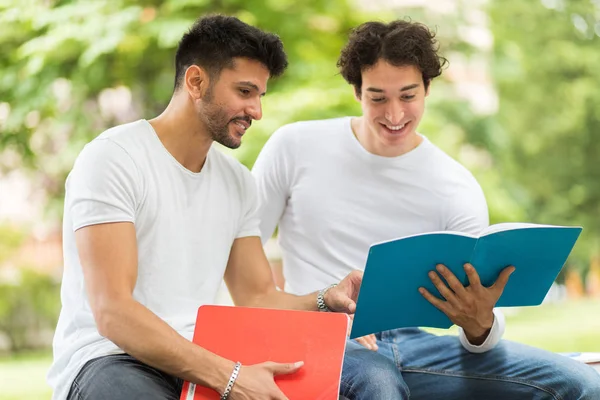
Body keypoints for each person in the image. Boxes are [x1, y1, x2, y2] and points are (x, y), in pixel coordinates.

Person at [252, 19, 600, 400]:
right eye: (378, 97)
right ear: (356, 91)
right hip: (322, 335)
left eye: (408, 95)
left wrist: (478, 324)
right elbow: (244, 256)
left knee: (583, 383)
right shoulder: (295, 146)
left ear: (428, 88)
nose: (395, 114)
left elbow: (481, 335)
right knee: (378, 381)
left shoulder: (455, 185)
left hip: (417, 344)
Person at [47, 15, 362, 400]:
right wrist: (231, 376)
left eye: (260, 95)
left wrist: (324, 299)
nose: (257, 110)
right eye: (245, 91)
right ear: (196, 82)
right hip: (110, 360)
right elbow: (114, 313)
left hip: (200, 358)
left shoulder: (238, 182)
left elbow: (258, 296)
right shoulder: (113, 159)